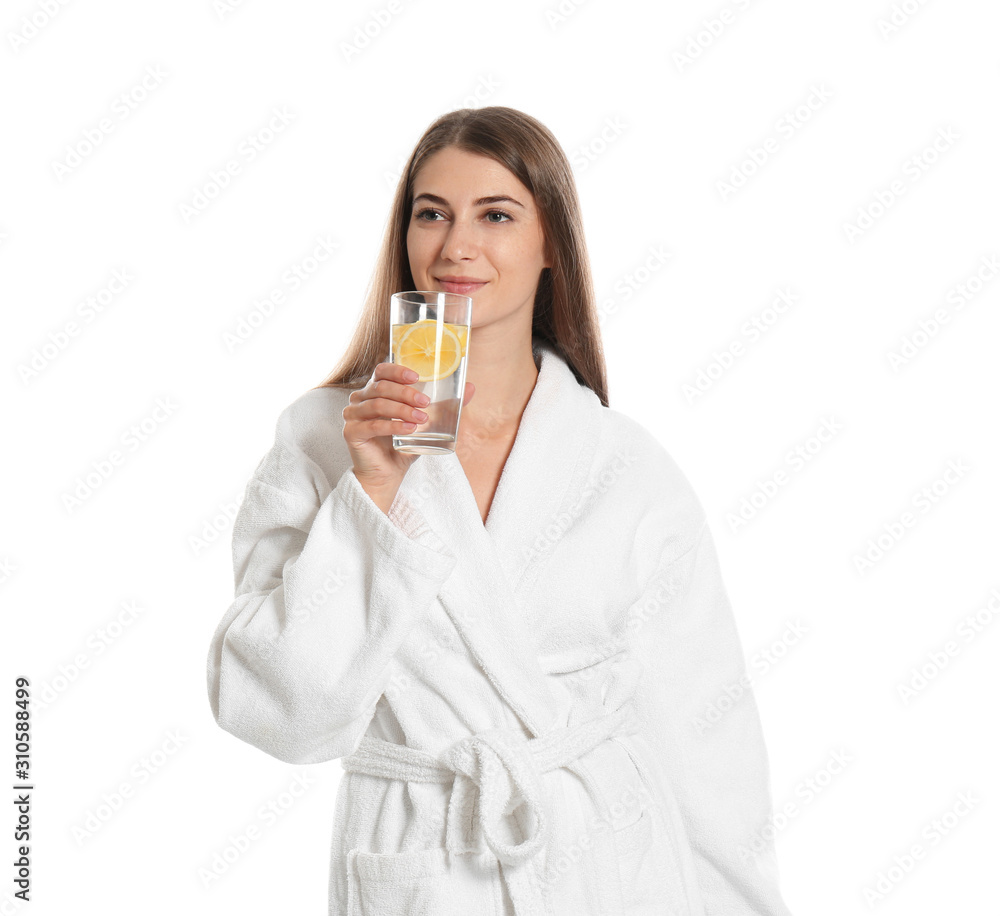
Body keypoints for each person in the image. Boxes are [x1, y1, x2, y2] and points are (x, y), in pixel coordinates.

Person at [206, 106, 794, 916]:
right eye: (432, 213)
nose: (456, 246)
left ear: (551, 242)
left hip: (607, 871)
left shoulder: (626, 469)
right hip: (420, 869)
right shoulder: (320, 438)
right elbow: (275, 712)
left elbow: (706, 744)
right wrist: (370, 496)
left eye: (496, 215)